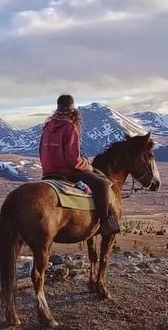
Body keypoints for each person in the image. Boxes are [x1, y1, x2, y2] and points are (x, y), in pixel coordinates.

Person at [39, 94, 121, 236]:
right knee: (102, 184)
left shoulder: (48, 126)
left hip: (48, 171)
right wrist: (87, 166)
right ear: (72, 110)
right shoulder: (70, 126)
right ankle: (105, 223)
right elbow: (73, 160)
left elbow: (41, 151)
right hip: (67, 171)